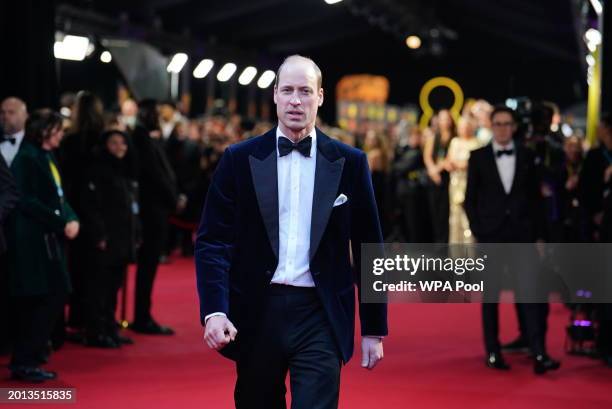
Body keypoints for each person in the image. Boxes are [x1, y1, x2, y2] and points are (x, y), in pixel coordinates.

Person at [196, 55, 387, 409]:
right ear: (275, 95)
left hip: (321, 312)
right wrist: (215, 310)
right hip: (256, 310)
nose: (296, 100)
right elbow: (213, 241)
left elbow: (369, 248)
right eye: (288, 90)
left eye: (305, 91)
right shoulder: (239, 159)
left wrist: (374, 327)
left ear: (321, 97)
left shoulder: (350, 162)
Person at [464, 105, 560, 374]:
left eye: (507, 123)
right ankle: (492, 352)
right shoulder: (478, 157)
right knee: (491, 296)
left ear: (514, 127)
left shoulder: (528, 156)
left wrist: (540, 236)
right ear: (491, 126)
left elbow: (537, 201)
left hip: (523, 236)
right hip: (491, 236)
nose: (503, 128)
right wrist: (479, 230)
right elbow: (470, 200)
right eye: (498, 123)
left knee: (530, 294)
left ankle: (539, 352)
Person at [6, 109, 80, 382]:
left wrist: (71, 218)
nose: (62, 134)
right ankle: (25, 360)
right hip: (31, 243)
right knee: (42, 299)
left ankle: (31, 356)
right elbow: (26, 201)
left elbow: (58, 197)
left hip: (47, 241)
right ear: (45, 130)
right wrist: (62, 223)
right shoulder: (27, 157)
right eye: (58, 129)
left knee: (53, 294)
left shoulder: (45, 155)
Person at [79, 130, 140, 347]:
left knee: (114, 287)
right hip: (105, 240)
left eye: (123, 143)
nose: (119, 147)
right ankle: (96, 331)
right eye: (114, 143)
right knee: (99, 288)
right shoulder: (97, 170)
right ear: (105, 145)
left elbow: (132, 207)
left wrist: (135, 235)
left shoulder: (125, 170)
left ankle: (110, 327)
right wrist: (99, 235)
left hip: (122, 239)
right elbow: (90, 206)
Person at [130, 99, 181, 335]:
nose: (160, 115)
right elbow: (155, 176)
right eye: (157, 112)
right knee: (147, 266)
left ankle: (143, 315)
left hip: (156, 209)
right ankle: (142, 317)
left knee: (149, 266)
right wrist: (173, 199)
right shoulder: (141, 139)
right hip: (152, 211)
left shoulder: (148, 138)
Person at [447, 117, 480, 244]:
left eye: (467, 126)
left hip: (469, 184)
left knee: (468, 218)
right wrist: (454, 164)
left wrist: (460, 164)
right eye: (462, 126)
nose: (464, 129)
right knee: (455, 218)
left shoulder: (476, 143)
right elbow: (449, 160)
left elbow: (473, 164)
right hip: (455, 184)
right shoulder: (455, 142)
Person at [424, 109, 455, 243]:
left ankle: (446, 244)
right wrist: (433, 170)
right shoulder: (433, 137)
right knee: (435, 213)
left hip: (449, 178)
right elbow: (427, 156)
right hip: (434, 178)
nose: (445, 121)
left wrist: (439, 166)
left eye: (447, 118)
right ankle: (437, 245)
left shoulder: (455, 137)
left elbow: (451, 158)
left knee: (446, 213)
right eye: (442, 118)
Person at [0, 97, 28, 167]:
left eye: (11, 112)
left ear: (25, 116)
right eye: (2, 112)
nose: (5, 116)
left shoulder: (33, 142)